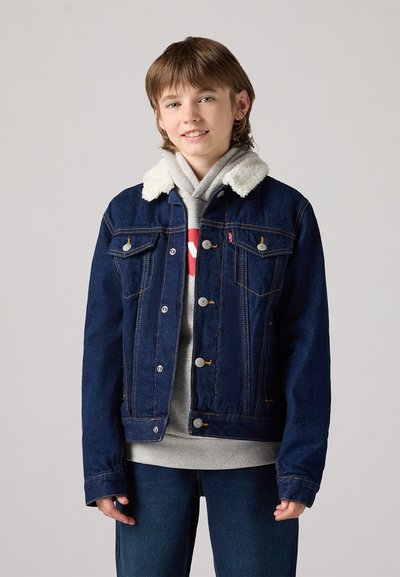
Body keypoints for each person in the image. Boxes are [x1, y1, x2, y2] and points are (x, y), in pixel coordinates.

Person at [81, 36, 331, 577]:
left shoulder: (286, 211)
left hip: (253, 459)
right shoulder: (127, 213)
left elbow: (307, 345)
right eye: (173, 102)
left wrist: (300, 467)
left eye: (206, 98)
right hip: (149, 458)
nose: (189, 115)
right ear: (158, 116)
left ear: (240, 104)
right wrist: (102, 468)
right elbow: (102, 347)